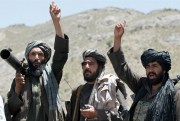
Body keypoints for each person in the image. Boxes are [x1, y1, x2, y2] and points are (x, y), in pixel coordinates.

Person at [5, 2, 69, 121]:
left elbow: (61, 53)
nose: (37, 58)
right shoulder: (20, 78)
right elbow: (12, 110)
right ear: (27, 57)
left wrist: (56, 22)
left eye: (40, 54)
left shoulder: (52, 74)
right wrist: (18, 87)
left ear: (45, 58)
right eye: (33, 54)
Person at [107, 23, 176, 121]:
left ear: (164, 69)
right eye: (147, 66)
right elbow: (122, 69)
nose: (150, 70)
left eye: (155, 66)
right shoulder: (142, 85)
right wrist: (117, 38)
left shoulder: (173, 93)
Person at [66, 49, 128, 121]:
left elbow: (124, 116)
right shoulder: (77, 92)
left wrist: (97, 114)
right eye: (84, 64)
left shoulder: (112, 86)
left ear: (100, 67)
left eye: (91, 63)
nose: (86, 67)